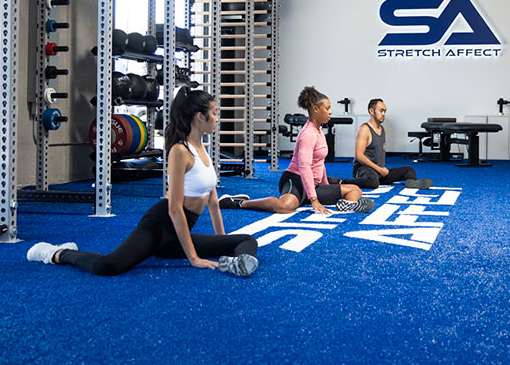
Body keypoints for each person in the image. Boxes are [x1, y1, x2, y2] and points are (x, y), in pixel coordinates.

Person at [26, 88, 259, 276]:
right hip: (160, 227)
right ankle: (58, 253)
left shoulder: (202, 150)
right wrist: (194, 258)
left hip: (179, 234)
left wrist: (222, 243)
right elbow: (175, 209)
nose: (217, 119)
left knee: (246, 241)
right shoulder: (180, 151)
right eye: (215, 112)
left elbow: (213, 202)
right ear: (200, 117)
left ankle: (234, 264)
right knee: (108, 266)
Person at [220, 86, 374, 215]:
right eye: (327, 108)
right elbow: (304, 167)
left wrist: (327, 187)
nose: (330, 111)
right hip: (296, 179)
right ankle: (241, 202)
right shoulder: (307, 133)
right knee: (285, 206)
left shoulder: (319, 131)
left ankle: (344, 205)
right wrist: (314, 200)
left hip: (313, 185)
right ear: (315, 109)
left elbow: (319, 163)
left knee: (354, 191)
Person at [351, 98, 432, 190]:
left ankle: (412, 183)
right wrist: (379, 169)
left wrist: (381, 170)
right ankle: (343, 182)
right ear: (372, 111)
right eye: (381, 111)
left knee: (409, 170)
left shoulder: (382, 129)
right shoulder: (364, 130)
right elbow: (359, 156)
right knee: (372, 182)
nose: (383, 114)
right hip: (364, 170)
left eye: (385, 111)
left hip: (380, 172)